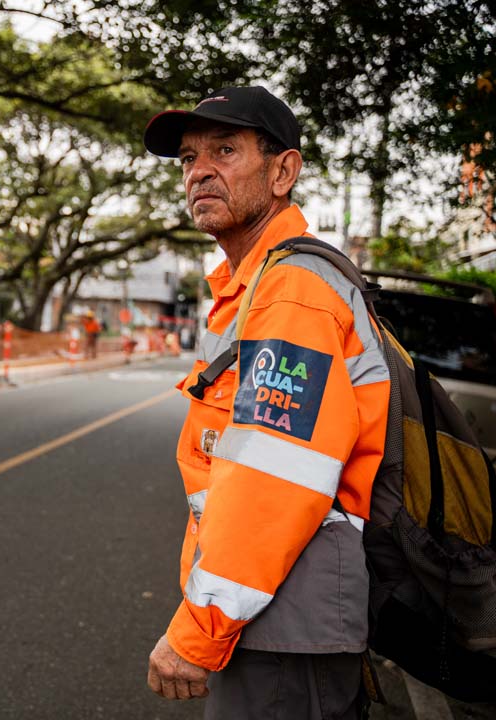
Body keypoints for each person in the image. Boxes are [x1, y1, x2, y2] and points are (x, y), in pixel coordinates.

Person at [141, 86, 391, 719]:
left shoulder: (291, 291)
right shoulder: (256, 284)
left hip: (284, 612)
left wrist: (200, 630)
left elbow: (272, 477)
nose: (199, 171)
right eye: (189, 159)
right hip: (278, 604)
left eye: (225, 150)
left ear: (284, 171)